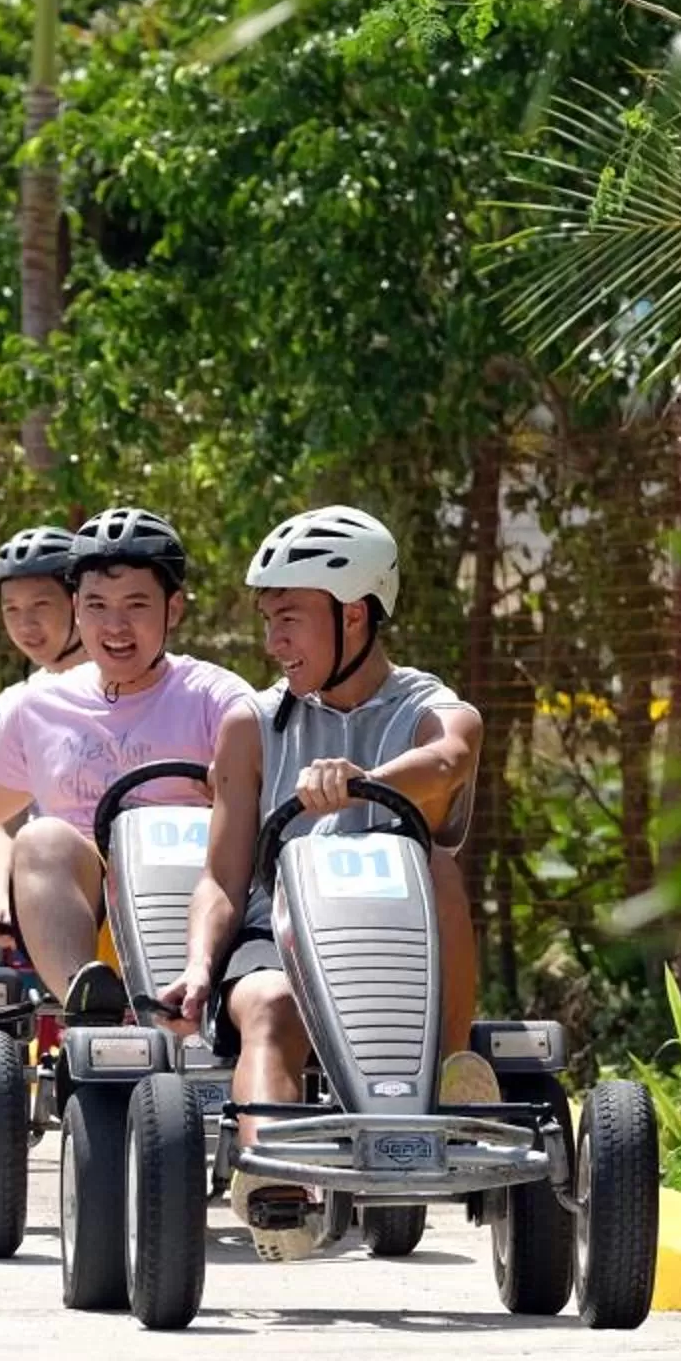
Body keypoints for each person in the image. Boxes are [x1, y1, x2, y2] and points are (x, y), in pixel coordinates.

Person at [156, 505, 492, 1259]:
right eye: (267, 619)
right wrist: (199, 968)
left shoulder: (426, 708)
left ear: (355, 615)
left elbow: (449, 760)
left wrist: (367, 782)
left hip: (395, 953)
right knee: (269, 1004)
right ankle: (278, 1181)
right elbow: (221, 874)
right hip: (276, 940)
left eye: (291, 619)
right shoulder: (253, 725)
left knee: (437, 864)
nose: (273, 641)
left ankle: (448, 1073)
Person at [0, 506, 255, 1015]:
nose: (114, 626)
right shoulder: (37, 705)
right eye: (96, 605)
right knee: (41, 836)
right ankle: (89, 1000)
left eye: (136, 604)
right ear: (77, 609)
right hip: (86, 910)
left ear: (174, 608)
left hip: (194, 899)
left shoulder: (219, 699)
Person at [0, 526, 88, 959]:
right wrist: (3, 900)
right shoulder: (11, 707)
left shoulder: (137, 689)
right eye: (11, 609)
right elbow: (6, 822)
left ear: (78, 603)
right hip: (59, 895)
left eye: (40, 605)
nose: (25, 624)